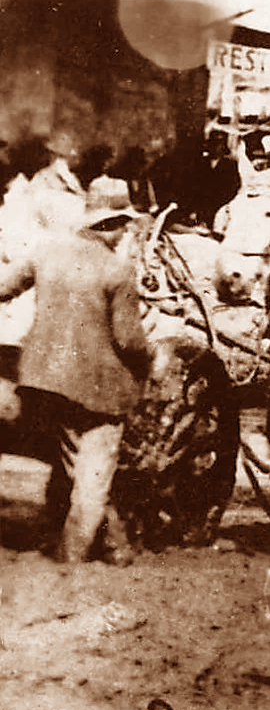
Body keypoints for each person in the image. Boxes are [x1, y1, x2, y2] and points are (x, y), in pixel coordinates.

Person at [0, 177, 152, 564]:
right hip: (99, 390)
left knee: (74, 460)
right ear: (113, 224)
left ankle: (116, 545)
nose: (126, 233)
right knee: (94, 478)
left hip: (43, 381)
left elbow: (2, 287)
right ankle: (72, 562)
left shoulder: (47, 252)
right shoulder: (117, 272)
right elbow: (129, 341)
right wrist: (151, 360)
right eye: (124, 225)